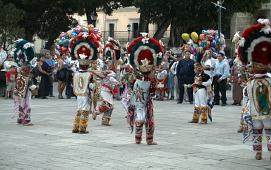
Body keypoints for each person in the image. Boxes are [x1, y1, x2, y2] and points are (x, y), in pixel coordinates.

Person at [239, 18, 271, 160]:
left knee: (269, 128)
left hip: (267, 110)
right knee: (257, 129)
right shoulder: (250, 82)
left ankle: (268, 150)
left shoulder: (269, 80)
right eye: (254, 65)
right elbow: (246, 96)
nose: (256, 66)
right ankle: (258, 152)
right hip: (254, 111)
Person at [127, 33, 163, 145]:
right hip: (144, 98)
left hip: (138, 92)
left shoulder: (137, 78)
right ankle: (149, 139)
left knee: (139, 112)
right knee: (148, 115)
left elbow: (131, 81)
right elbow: (153, 91)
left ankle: (138, 139)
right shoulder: (149, 80)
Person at [12, 39, 36, 125]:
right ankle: (26, 119)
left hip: (19, 79)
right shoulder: (27, 64)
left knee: (19, 98)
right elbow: (29, 66)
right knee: (26, 99)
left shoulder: (18, 59)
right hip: (25, 80)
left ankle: (20, 117)